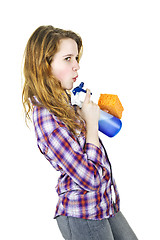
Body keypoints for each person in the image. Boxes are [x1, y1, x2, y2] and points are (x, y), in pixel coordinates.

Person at [22, 25, 138, 240]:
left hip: (104, 204)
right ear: (44, 66)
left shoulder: (66, 103)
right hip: (83, 213)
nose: (77, 66)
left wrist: (94, 115)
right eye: (68, 59)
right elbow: (89, 179)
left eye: (76, 58)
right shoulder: (46, 117)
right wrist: (92, 126)